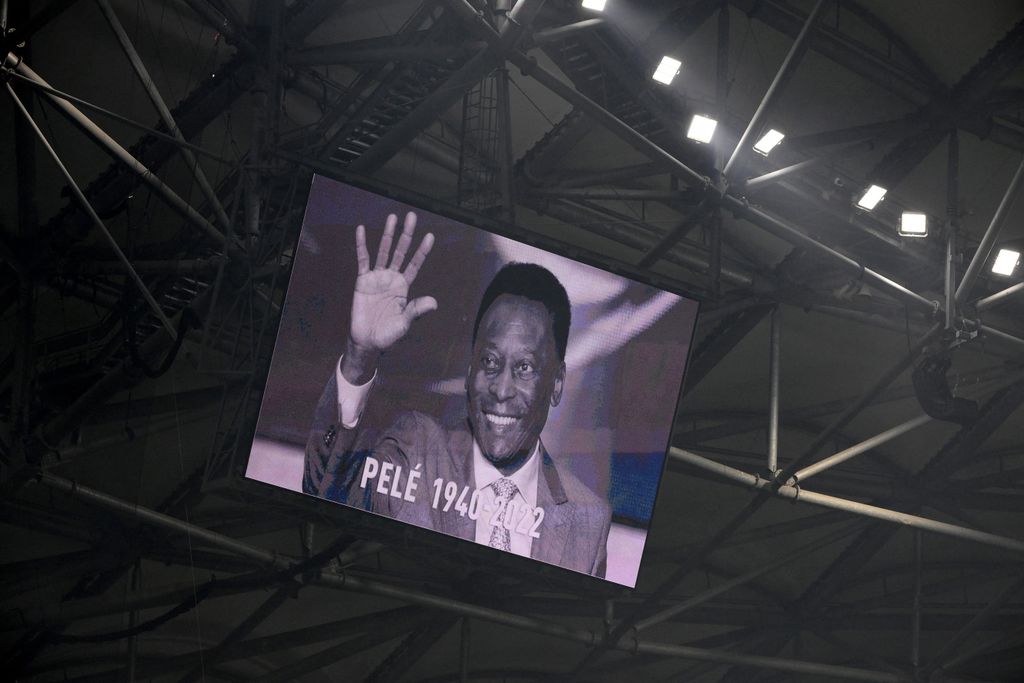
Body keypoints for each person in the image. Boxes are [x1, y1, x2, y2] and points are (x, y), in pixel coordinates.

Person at [303, 212, 610, 577]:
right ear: (468, 371)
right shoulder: (417, 447)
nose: (501, 389)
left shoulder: (588, 520)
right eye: (489, 361)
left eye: (525, 368)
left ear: (557, 383)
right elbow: (324, 492)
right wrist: (360, 355)